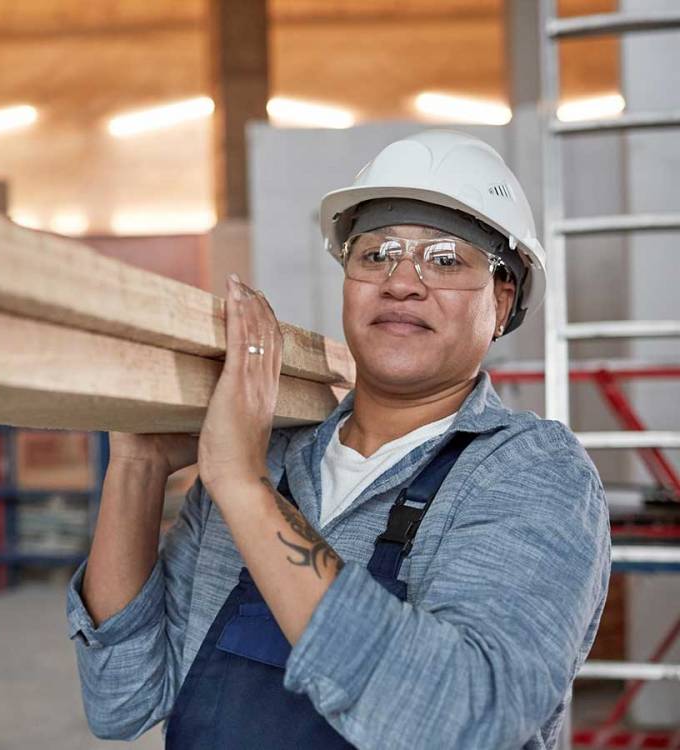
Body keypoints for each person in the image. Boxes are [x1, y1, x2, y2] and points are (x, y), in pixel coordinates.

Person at [65, 129, 611, 749]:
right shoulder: (274, 460)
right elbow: (122, 699)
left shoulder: (531, 473)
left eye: (444, 259)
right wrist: (136, 464)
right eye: (375, 254)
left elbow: (462, 722)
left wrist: (243, 488)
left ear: (503, 296)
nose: (401, 281)